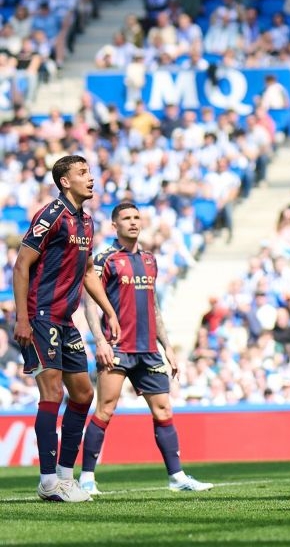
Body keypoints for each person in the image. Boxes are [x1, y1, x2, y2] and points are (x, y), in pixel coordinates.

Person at [79, 202, 213, 494]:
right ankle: (87, 478)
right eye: (126, 218)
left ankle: (177, 477)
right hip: (117, 348)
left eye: (137, 217)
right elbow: (90, 302)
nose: (133, 222)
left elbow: (153, 306)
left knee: (164, 410)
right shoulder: (105, 259)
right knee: (105, 409)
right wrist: (99, 341)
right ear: (115, 225)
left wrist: (168, 347)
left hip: (149, 350)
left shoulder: (150, 260)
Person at [12, 155, 121, 502]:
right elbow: (21, 266)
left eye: (89, 172)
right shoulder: (51, 215)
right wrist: (22, 318)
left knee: (84, 395)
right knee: (52, 394)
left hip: (66, 319)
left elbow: (88, 272)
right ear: (64, 181)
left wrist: (109, 311)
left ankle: (64, 476)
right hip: (40, 316)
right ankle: (47, 482)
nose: (91, 178)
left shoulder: (87, 223)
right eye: (82, 173)